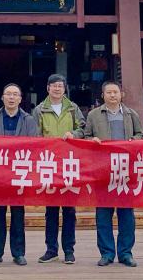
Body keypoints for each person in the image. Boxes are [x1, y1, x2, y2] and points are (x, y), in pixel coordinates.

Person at [83, 80, 143, 267]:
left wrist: (133, 140)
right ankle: (107, 253)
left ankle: (125, 253)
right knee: (103, 214)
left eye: (115, 92)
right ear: (103, 95)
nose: (112, 95)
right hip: (102, 170)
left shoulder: (131, 114)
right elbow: (86, 136)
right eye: (108, 92)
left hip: (125, 171)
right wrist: (92, 140)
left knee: (126, 215)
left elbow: (140, 134)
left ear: (121, 94)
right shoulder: (93, 115)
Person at [31, 73, 85, 264]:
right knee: (51, 210)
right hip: (49, 164)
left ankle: (69, 249)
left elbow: (83, 129)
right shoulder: (39, 110)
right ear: (48, 88)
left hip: (69, 163)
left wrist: (74, 134)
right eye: (53, 86)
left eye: (60, 86)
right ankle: (51, 249)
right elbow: (34, 135)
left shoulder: (73, 108)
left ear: (64, 89)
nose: (56, 89)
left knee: (69, 210)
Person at [0, 83, 39, 266]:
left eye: (15, 94)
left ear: (20, 99)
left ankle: (18, 253)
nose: (11, 97)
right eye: (8, 94)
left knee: (18, 215)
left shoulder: (28, 120)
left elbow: (34, 146)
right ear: (2, 97)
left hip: (19, 173)